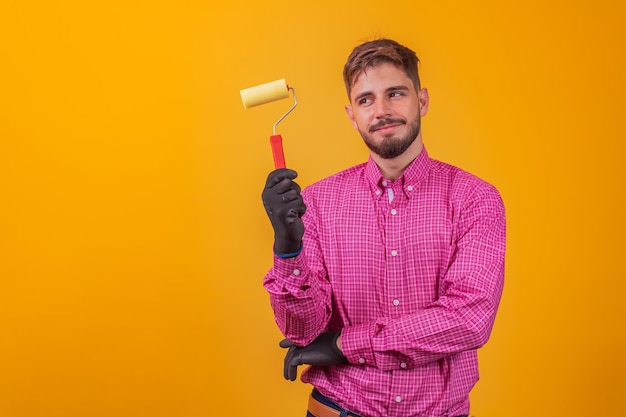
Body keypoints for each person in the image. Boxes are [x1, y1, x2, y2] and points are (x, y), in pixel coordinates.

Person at [261, 38, 506, 417]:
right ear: (351, 114)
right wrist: (287, 248)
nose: (382, 110)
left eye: (395, 94)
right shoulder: (320, 202)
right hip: (338, 408)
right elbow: (303, 331)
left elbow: (468, 320)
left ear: (421, 100)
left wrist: (345, 344)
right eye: (366, 99)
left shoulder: (475, 199)